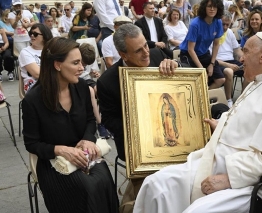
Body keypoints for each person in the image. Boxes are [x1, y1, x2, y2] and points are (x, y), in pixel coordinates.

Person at [133, 31, 262, 213]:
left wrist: (229, 178)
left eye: (246, 51)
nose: (241, 59)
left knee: (198, 210)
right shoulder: (258, 82)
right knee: (156, 185)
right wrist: (222, 126)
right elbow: (245, 122)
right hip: (218, 159)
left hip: (254, 180)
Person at [22, 36, 119, 213]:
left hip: (84, 153)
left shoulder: (81, 87)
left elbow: (90, 120)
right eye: (75, 63)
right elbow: (32, 143)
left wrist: (88, 139)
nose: (82, 68)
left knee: (104, 179)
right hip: (53, 161)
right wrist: (61, 150)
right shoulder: (33, 100)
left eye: (81, 62)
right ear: (57, 65)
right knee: (85, 187)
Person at [97, 24, 178, 161]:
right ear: (123, 55)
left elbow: (189, 72)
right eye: (138, 50)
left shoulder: (157, 55)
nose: (146, 52)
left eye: (146, 45)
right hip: (134, 144)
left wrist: (176, 65)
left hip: (169, 131)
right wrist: (138, 124)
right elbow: (109, 120)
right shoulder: (107, 81)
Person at [179, 0, 225, 89]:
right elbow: (190, 49)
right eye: (209, 6)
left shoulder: (218, 22)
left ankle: (206, 96)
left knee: (221, 79)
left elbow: (216, 44)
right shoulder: (195, 24)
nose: (212, 9)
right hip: (188, 55)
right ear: (204, 8)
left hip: (204, 53)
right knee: (200, 79)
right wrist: (202, 70)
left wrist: (212, 64)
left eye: (214, 7)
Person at [78, 43, 111, 139]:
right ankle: (100, 123)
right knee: (91, 92)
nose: (84, 66)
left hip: (87, 79)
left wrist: (94, 74)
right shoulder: (76, 58)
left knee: (100, 90)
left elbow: (90, 73)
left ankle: (105, 119)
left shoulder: (90, 59)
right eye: (83, 63)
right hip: (78, 80)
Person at [215, 13, 244, 107]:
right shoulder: (213, 33)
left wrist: (245, 59)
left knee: (250, 68)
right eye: (223, 24)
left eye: (227, 25)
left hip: (230, 60)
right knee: (229, 72)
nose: (225, 27)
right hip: (217, 62)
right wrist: (228, 65)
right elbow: (211, 58)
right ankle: (229, 100)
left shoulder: (230, 32)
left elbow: (237, 49)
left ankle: (243, 98)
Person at [19, 23, 53, 93]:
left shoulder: (51, 50)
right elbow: (37, 74)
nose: (32, 35)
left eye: (35, 34)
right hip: (34, 87)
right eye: (30, 33)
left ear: (45, 36)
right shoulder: (25, 52)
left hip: (51, 83)